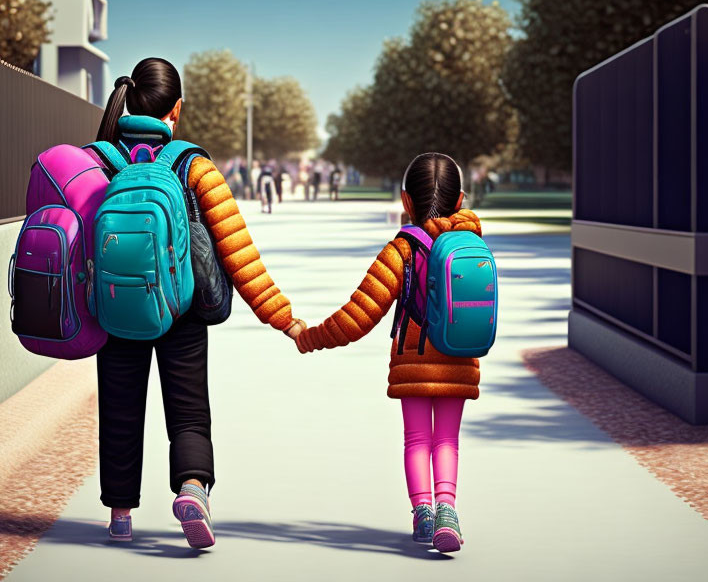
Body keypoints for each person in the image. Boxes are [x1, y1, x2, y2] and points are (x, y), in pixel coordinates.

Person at [94, 58, 305, 548]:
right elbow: (239, 254)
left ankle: (120, 516)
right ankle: (192, 488)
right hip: (182, 310)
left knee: (120, 410)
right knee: (188, 410)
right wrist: (287, 322)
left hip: (116, 309)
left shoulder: (97, 159)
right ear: (178, 108)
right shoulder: (194, 165)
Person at [293, 152, 480, 553]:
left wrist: (311, 337)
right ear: (460, 200)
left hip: (413, 361)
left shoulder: (401, 250)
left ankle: (424, 513)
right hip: (460, 359)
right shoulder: (472, 246)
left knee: (416, 438)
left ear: (405, 201)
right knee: (447, 440)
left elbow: (358, 316)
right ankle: (449, 509)